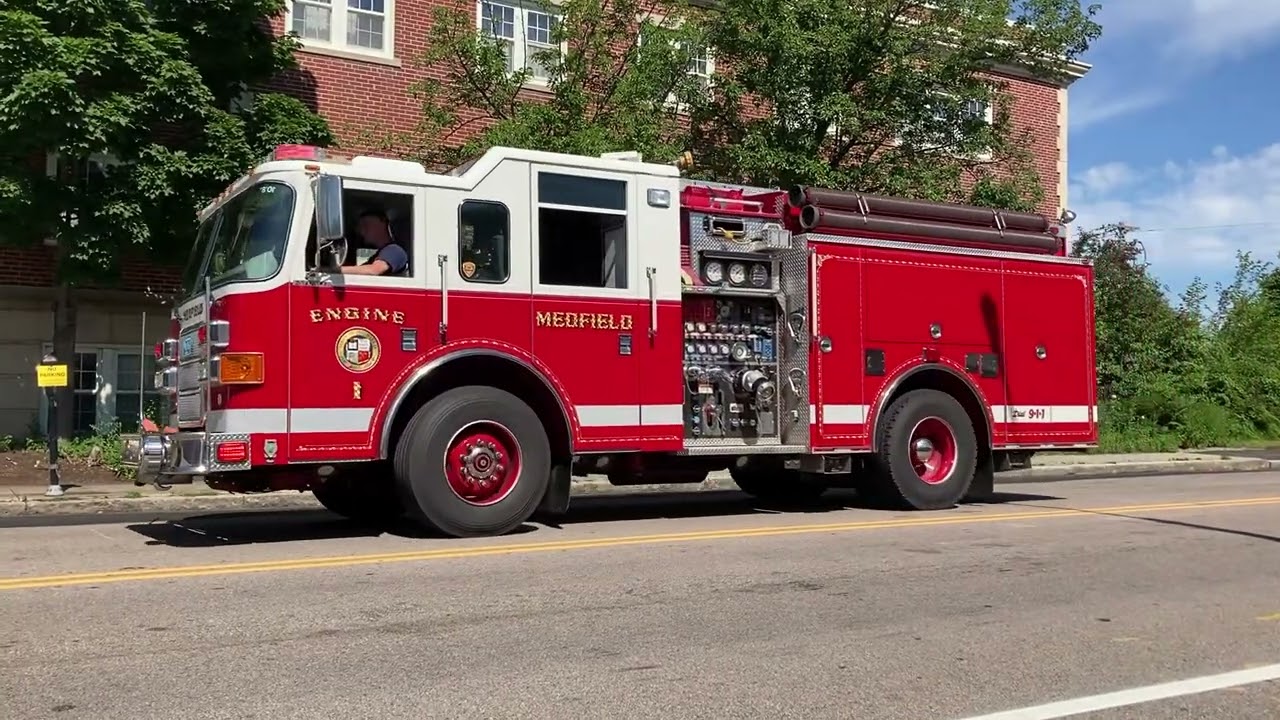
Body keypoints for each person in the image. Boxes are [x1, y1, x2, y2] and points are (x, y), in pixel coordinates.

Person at [341, 208, 409, 276]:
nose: (361, 231)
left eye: (366, 225)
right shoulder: (377, 256)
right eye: (360, 227)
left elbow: (374, 270)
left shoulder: (395, 250)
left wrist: (337, 270)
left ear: (383, 223)